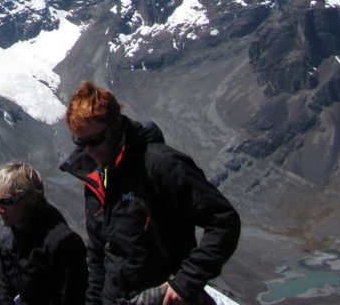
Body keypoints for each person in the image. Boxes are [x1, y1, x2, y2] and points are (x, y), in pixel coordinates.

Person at [60, 82, 241, 305]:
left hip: (164, 298)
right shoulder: (96, 176)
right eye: (81, 142)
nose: (89, 150)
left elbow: (224, 220)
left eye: (96, 140)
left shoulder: (160, 165)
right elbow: (98, 252)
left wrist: (186, 281)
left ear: (116, 124)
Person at [0, 162, 87, 305]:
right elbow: (6, 287)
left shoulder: (61, 243)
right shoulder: (4, 234)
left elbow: (72, 298)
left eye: (7, 202)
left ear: (30, 198)